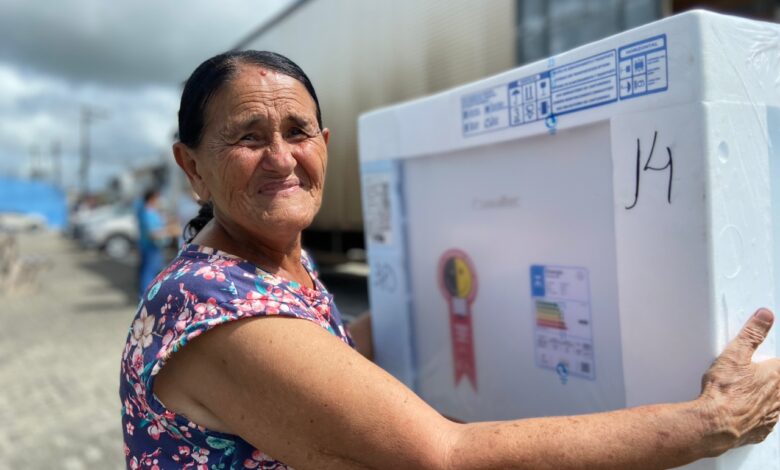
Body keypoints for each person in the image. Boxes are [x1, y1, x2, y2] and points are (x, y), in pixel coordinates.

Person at [119, 50, 780, 469]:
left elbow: (325, 358)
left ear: (324, 143)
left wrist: (465, 279)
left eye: (296, 133)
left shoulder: (272, 261)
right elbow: (443, 457)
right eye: (248, 137)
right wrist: (709, 424)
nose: (282, 158)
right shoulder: (210, 302)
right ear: (192, 166)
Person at [136, 189, 178, 299]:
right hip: (151, 247)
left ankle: (150, 294)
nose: (159, 201)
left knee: (154, 270)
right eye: (158, 198)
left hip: (155, 247)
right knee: (149, 271)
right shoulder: (147, 213)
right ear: (152, 199)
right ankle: (145, 296)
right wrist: (169, 232)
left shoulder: (150, 212)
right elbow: (152, 233)